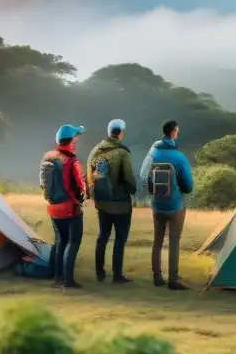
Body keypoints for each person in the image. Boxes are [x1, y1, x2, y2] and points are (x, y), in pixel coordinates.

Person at [142, 119, 195, 290]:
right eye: (177, 131)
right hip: (175, 206)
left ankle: (157, 276)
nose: (178, 134)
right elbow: (188, 186)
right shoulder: (179, 157)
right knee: (173, 241)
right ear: (172, 132)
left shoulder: (152, 154)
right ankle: (173, 279)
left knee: (157, 241)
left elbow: (144, 176)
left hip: (157, 205)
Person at [86, 118, 136, 283]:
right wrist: (132, 190)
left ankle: (100, 272)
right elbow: (129, 178)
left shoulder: (95, 151)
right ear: (120, 133)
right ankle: (117, 275)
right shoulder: (123, 152)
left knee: (103, 236)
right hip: (121, 204)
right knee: (120, 238)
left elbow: (89, 177)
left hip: (102, 202)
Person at [43, 124, 86, 289]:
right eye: (76, 136)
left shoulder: (48, 156)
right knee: (73, 242)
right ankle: (69, 281)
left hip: (53, 207)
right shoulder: (72, 160)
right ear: (71, 140)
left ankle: (58, 277)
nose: (77, 140)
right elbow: (80, 187)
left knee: (60, 240)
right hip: (70, 208)